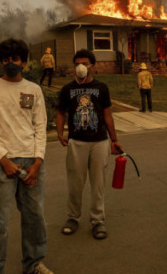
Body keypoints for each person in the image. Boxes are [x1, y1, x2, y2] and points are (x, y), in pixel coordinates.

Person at [0, 38, 51, 274]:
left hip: (32, 164)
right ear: (1, 61)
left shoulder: (34, 90)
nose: (11, 63)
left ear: (24, 62)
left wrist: (38, 161)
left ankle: (33, 265)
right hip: (2, 166)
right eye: (6, 59)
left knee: (35, 219)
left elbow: (40, 127)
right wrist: (4, 160)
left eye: (15, 59)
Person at [56, 49, 122, 240]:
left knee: (98, 184)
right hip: (76, 142)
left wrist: (114, 139)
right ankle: (73, 217)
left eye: (85, 63)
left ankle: (98, 220)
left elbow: (107, 114)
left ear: (92, 66)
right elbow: (61, 112)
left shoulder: (101, 88)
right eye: (77, 63)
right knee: (75, 183)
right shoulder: (67, 89)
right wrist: (60, 133)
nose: (81, 67)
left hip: (100, 142)